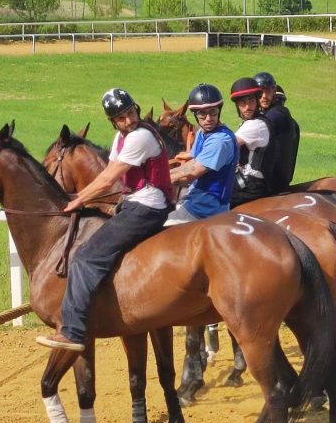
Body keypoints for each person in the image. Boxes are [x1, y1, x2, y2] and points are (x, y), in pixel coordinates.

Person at [37, 88, 173, 351]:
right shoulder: (121, 137)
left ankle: (73, 330)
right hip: (135, 202)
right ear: (113, 122)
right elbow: (109, 170)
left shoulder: (140, 137)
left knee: (86, 257)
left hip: (146, 207)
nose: (129, 120)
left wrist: (76, 200)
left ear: (137, 108)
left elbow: (108, 179)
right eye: (121, 118)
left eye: (131, 113)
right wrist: (81, 196)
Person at [165, 83, 239, 226]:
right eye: (202, 114)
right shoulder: (202, 133)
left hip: (206, 209)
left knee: (155, 233)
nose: (208, 118)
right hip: (195, 200)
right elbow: (191, 164)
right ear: (195, 115)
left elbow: (191, 173)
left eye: (213, 112)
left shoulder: (220, 140)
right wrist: (162, 175)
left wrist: (158, 181)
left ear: (219, 111)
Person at [228, 77, 273, 208]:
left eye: (251, 101)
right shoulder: (255, 122)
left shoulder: (256, 125)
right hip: (249, 181)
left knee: (212, 197)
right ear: (237, 105)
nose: (247, 107)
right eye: (242, 103)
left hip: (250, 186)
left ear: (257, 101)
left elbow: (225, 147)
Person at [253, 72, 300, 194]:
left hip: (268, 184)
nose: (264, 96)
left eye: (267, 91)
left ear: (273, 92)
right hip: (278, 182)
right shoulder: (288, 119)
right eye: (260, 92)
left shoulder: (276, 115)